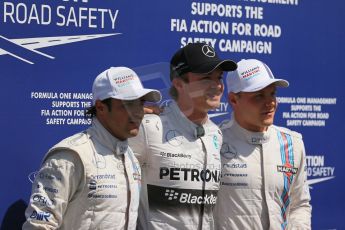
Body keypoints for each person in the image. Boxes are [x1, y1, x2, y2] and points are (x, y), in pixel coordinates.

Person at [23, 67, 161, 230]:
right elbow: (38, 225)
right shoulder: (70, 155)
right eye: (128, 104)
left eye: (141, 103)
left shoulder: (130, 157)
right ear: (101, 107)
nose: (138, 112)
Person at [128, 42, 237, 230]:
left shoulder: (215, 134)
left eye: (219, 77)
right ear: (179, 84)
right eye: (206, 78)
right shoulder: (149, 128)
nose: (217, 86)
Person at [215, 59, 312, 230]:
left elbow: (299, 204)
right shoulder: (213, 141)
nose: (270, 103)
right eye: (258, 96)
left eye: (272, 93)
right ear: (233, 100)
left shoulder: (292, 143)